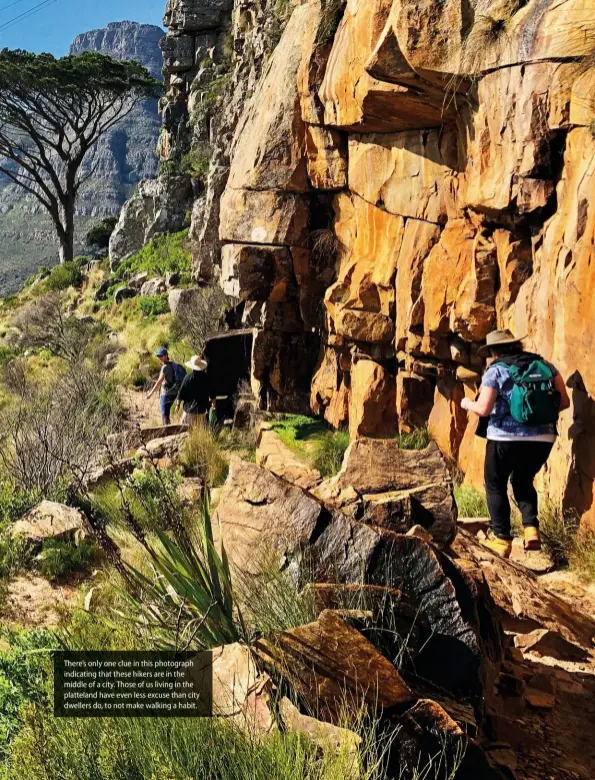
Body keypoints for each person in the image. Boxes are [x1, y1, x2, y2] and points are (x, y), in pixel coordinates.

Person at [460, 329, 570, 559]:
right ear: (516, 345)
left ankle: (502, 540)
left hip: (504, 438)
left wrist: (466, 403)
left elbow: (484, 409)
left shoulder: (496, 370)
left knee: (495, 483)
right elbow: (564, 401)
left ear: (493, 351)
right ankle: (531, 530)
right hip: (543, 439)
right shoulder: (545, 366)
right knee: (522, 479)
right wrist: (536, 419)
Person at [147, 348, 186, 425]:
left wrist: (150, 393)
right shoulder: (172, 364)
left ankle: (166, 430)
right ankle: (168, 429)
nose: (160, 358)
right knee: (167, 413)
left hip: (167, 393)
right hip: (173, 392)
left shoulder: (165, 367)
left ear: (166, 355)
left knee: (164, 414)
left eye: (161, 356)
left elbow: (159, 381)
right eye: (158, 356)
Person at [175, 355, 212, 426]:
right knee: (201, 429)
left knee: (185, 430)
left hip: (189, 410)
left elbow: (181, 392)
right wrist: (214, 404)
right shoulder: (206, 378)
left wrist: (178, 405)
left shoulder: (187, 378)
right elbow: (212, 392)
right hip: (202, 410)